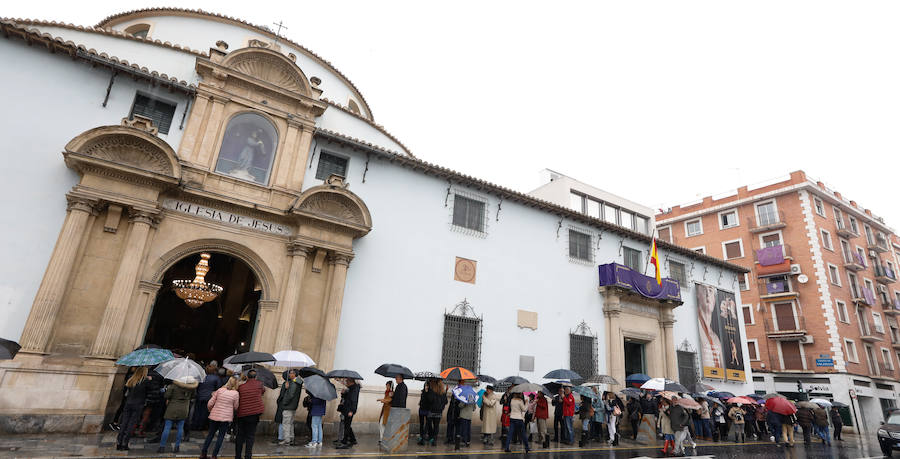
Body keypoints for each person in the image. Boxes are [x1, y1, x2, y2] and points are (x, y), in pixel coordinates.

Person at [200, 376, 240, 459]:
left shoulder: (220, 390)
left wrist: (211, 410)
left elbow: (210, 403)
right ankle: (214, 455)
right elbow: (236, 407)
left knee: (210, 434)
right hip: (225, 418)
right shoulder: (236, 393)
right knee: (221, 436)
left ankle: (203, 454)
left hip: (214, 416)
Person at [157, 375, 197, 453]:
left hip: (172, 408)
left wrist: (166, 390)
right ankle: (177, 447)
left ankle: (162, 447)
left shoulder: (173, 386)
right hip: (184, 409)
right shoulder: (191, 388)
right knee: (180, 428)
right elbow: (193, 396)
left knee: (167, 427)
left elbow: (166, 396)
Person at [235, 369, 266, 459]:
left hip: (242, 414)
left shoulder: (241, 387)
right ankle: (248, 456)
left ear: (247, 377)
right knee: (250, 436)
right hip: (254, 414)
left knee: (240, 436)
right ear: (256, 377)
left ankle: (237, 456)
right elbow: (263, 391)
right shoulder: (260, 385)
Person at [116, 367, 149, 451]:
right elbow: (148, 393)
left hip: (128, 403)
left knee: (124, 423)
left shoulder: (131, 380)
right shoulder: (145, 381)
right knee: (131, 424)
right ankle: (125, 443)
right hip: (138, 404)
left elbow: (126, 391)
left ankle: (119, 442)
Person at [194, 364, 224, 433]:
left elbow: (196, 386)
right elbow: (219, 388)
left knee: (198, 411)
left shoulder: (201, 377)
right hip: (209, 397)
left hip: (200, 396)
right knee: (205, 412)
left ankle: (196, 425)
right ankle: (202, 426)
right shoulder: (216, 378)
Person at [275, 369, 302, 446]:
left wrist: (284, 402)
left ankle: (287, 440)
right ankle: (291, 438)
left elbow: (290, 395)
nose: (289, 375)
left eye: (290, 373)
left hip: (288, 406)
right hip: (293, 406)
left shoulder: (293, 383)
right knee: (290, 423)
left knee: (286, 423)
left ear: (294, 374)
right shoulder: (298, 382)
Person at [336, 378, 360, 449]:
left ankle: (345, 441)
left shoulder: (354, 389)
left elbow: (354, 401)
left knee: (347, 426)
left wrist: (352, 411)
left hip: (349, 410)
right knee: (347, 425)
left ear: (350, 381)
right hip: (346, 409)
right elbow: (347, 398)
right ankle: (353, 439)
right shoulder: (350, 388)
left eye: (347, 381)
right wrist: (343, 394)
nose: (346, 382)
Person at [425, 380, 446, 446]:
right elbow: (446, 401)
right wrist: (442, 407)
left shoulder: (432, 391)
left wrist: (427, 392)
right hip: (439, 411)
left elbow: (429, 400)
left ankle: (430, 436)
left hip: (432, 410)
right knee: (436, 426)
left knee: (429, 424)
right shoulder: (443, 392)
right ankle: (434, 440)